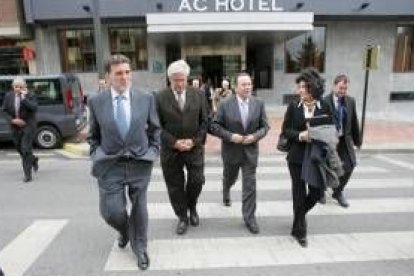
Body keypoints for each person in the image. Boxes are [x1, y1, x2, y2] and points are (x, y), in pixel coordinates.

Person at [87, 54, 161, 270]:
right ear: (108, 76)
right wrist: (96, 154)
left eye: (127, 72)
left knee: (140, 208)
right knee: (111, 212)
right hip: (110, 164)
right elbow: (93, 135)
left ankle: (140, 248)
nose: (124, 77)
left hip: (140, 162)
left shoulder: (146, 98)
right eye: (118, 73)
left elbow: (156, 129)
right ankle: (125, 231)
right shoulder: (96, 101)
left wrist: (153, 152)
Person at [210, 73, 269, 234]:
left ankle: (249, 217)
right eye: (244, 84)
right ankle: (226, 188)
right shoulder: (224, 104)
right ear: (236, 87)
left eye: (249, 84)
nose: (247, 87)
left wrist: (255, 136)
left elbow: (265, 127)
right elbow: (214, 126)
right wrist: (230, 136)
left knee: (250, 185)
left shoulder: (259, 103)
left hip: (250, 152)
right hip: (231, 151)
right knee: (231, 177)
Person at [155, 60, 208, 235]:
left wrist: (194, 141)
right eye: (175, 80)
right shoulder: (159, 97)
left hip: (194, 148)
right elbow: (155, 126)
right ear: (169, 79)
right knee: (175, 185)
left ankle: (192, 206)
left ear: (187, 78)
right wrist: (174, 142)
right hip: (171, 151)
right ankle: (182, 216)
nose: (179, 84)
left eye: (182, 79)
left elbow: (205, 122)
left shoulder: (198, 95)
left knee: (197, 180)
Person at [281, 67, 331, 247]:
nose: (299, 90)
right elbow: (285, 130)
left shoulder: (325, 106)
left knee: (317, 193)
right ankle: (300, 231)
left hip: (316, 157)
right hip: (296, 157)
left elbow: (331, 130)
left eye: (303, 87)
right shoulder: (294, 106)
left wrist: (320, 136)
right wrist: (301, 135)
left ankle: (298, 218)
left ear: (313, 88)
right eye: (299, 87)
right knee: (299, 194)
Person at [323, 74, 361, 207]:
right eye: (341, 88)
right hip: (329, 141)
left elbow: (354, 121)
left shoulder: (350, 101)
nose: (343, 91)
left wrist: (358, 142)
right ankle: (321, 189)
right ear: (334, 86)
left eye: (345, 89)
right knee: (326, 167)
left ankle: (337, 191)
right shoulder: (324, 101)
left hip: (345, 140)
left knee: (351, 165)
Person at [1, 76, 39, 182]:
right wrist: (13, 120)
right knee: (19, 148)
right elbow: (4, 111)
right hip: (15, 126)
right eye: (16, 86)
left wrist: (24, 98)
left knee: (25, 149)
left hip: (28, 125)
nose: (18, 89)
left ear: (25, 86)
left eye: (20, 86)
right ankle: (33, 159)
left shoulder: (30, 95)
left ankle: (27, 175)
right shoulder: (8, 96)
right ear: (12, 87)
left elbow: (34, 108)